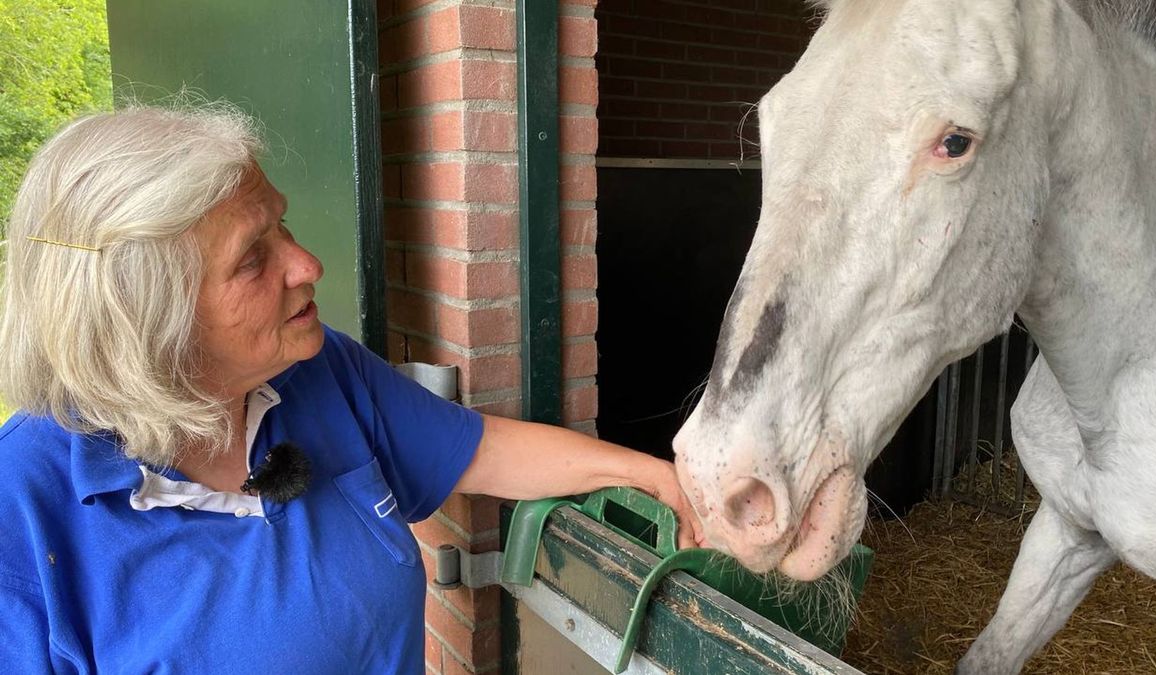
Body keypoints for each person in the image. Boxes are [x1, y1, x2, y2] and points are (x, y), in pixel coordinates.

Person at [0, 105, 699, 673]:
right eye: (253, 258)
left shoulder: (318, 368)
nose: (307, 264)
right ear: (146, 319)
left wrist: (648, 473)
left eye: (284, 225)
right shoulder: (24, 511)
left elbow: (479, 449)